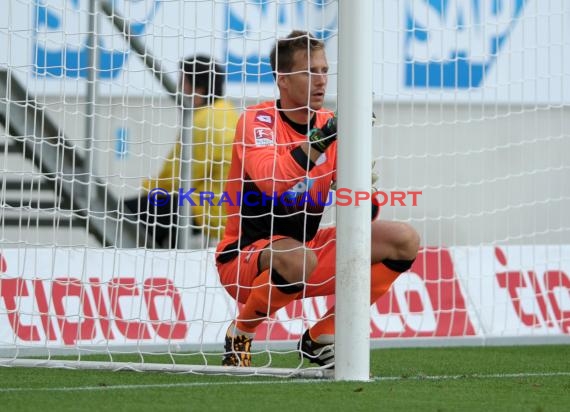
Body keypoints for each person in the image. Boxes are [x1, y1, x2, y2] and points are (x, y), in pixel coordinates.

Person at [215, 30, 420, 368]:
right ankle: (242, 330)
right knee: (299, 258)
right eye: (310, 71)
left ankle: (322, 335)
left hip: (305, 255)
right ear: (282, 79)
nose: (321, 80)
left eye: (324, 70)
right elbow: (271, 182)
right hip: (244, 262)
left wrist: (359, 182)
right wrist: (322, 141)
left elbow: (363, 215)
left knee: (404, 240)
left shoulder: (331, 125)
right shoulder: (258, 120)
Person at [124, 55, 240, 248]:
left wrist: (149, 187)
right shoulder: (225, 113)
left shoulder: (204, 122)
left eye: (181, 82)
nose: (177, 89)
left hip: (205, 207)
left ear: (199, 89)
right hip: (222, 204)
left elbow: (181, 176)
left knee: (124, 213)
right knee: (156, 211)